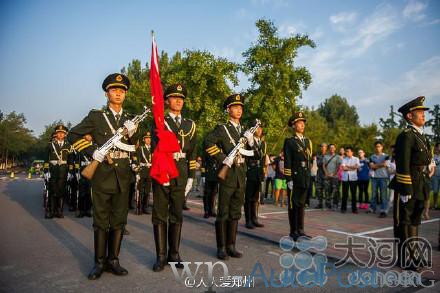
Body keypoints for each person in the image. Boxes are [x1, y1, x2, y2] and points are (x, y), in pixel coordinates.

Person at [68, 73, 139, 280]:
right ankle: (99, 262)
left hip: (123, 176)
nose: (118, 93)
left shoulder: (131, 120)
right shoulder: (97, 117)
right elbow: (73, 134)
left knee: (119, 220)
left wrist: (133, 133)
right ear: (107, 93)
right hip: (102, 174)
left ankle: (113, 260)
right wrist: (92, 151)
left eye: (122, 90)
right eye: (114, 90)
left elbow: (136, 147)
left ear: (125, 94)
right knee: (101, 221)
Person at [151, 83, 197, 272]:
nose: (178, 101)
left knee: (177, 214)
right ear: (167, 100)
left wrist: (191, 177)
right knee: (160, 214)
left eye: (181, 99)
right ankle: (161, 256)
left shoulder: (190, 125)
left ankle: (174, 254)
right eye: (174, 98)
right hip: (163, 170)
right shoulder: (158, 121)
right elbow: (155, 148)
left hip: (181, 172)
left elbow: (193, 152)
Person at [205, 93, 254, 260]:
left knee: (235, 213)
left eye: (241, 107)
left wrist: (252, 141)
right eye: (235, 107)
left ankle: (231, 245)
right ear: (228, 110)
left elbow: (255, 154)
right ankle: (221, 247)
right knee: (223, 213)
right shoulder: (222, 129)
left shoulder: (245, 132)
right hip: (228, 176)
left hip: (240, 175)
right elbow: (208, 143)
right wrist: (223, 158)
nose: (239, 110)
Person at [390, 96, 432, 271]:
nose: (423, 115)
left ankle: (414, 254)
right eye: (419, 112)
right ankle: (405, 258)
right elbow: (403, 163)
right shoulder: (406, 136)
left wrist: (430, 164)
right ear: (409, 116)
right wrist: (405, 187)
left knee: (415, 219)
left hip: (420, 182)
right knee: (404, 221)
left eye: (423, 112)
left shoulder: (420, 135)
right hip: (408, 184)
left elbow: (425, 156)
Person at [284, 111, 313, 241]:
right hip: (295, 177)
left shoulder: (308, 142)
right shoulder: (290, 141)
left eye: (303, 123)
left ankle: (301, 230)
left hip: (304, 176)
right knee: (293, 204)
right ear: (293, 126)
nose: (302, 125)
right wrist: (288, 178)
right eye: (299, 123)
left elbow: (309, 161)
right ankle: (293, 231)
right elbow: (288, 161)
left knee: (301, 204)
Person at [47, 124, 72, 219]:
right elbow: (46, 158)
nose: (60, 135)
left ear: (65, 135)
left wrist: (70, 171)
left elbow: (70, 159)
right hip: (53, 169)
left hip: (63, 170)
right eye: (59, 133)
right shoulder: (50, 145)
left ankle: (60, 211)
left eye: (62, 133)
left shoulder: (68, 145)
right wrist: (46, 170)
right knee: (53, 190)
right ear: (56, 134)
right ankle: (51, 211)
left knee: (61, 191)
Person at [244, 124, 266, 229]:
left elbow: (261, 157)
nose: (260, 130)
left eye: (261, 128)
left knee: (255, 198)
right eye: (257, 128)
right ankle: (248, 220)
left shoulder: (263, 143)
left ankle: (254, 218)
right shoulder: (248, 141)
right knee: (248, 198)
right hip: (250, 171)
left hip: (258, 172)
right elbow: (247, 155)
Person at [368, 141, 389, 218]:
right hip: (374, 177)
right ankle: (372, 208)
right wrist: (381, 165)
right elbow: (371, 166)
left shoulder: (386, 156)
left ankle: (384, 210)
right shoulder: (372, 156)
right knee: (373, 194)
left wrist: (375, 165)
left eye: (379, 146)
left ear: (382, 147)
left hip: (383, 177)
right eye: (376, 146)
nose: (377, 148)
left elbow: (385, 164)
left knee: (383, 195)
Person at [134, 132, 153, 214]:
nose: (148, 140)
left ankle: (146, 207)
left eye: (149, 138)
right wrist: (137, 169)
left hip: (150, 171)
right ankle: (139, 208)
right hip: (142, 170)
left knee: (147, 190)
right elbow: (137, 159)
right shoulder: (140, 148)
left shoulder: (153, 149)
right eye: (146, 138)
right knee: (140, 190)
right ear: (144, 139)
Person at [76, 134, 93, 218]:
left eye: (89, 136)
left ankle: (88, 210)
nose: (88, 138)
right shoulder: (81, 147)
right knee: (82, 192)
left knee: (90, 192)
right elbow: (77, 160)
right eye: (86, 136)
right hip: (82, 171)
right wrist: (76, 172)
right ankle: (81, 210)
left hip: (92, 171)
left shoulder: (95, 146)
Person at [201, 147, 219, 218]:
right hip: (208, 174)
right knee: (207, 194)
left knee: (214, 194)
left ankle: (212, 210)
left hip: (216, 175)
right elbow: (203, 163)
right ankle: (206, 211)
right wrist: (203, 175)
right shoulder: (207, 149)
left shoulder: (220, 149)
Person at [341, 146, 359, 214]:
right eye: (346, 151)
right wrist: (352, 168)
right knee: (344, 194)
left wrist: (348, 166)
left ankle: (354, 209)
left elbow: (356, 167)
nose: (347, 153)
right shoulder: (344, 159)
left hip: (353, 178)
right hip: (345, 178)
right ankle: (343, 208)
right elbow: (343, 168)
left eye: (348, 151)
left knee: (353, 194)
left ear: (352, 152)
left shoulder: (356, 159)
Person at [323, 144, 342, 211]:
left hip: (335, 177)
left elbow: (339, 166)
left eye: (333, 148)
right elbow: (323, 165)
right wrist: (326, 173)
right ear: (329, 149)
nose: (332, 149)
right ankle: (328, 205)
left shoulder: (338, 157)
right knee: (327, 191)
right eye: (330, 148)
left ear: (335, 149)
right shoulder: (325, 156)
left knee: (335, 191)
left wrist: (334, 174)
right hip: (327, 176)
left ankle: (335, 205)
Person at [315, 143, 328, 209]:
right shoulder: (318, 155)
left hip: (326, 174)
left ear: (326, 148)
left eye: (323, 146)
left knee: (327, 189)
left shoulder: (328, 155)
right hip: (319, 174)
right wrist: (324, 163)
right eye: (321, 147)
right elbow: (318, 164)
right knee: (319, 189)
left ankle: (327, 203)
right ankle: (320, 203)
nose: (322, 148)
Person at [431, 143, 440, 210]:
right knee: (435, 191)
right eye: (438, 147)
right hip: (435, 176)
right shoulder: (433, 157)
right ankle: (435, 204)